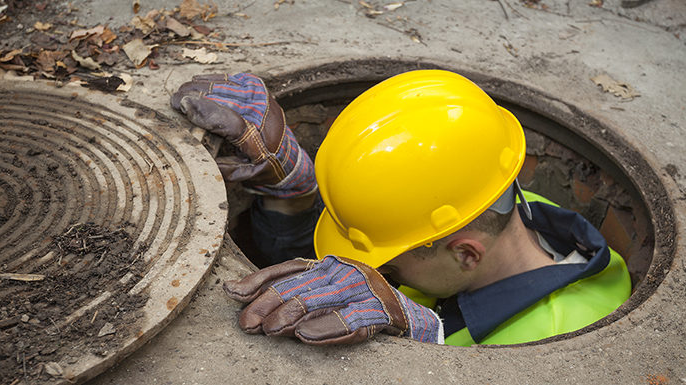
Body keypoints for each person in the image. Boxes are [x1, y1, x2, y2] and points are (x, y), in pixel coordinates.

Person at [170, 70, 631, 346]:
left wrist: (426, 347)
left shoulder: (552, 339)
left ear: (466, 253)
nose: (382, 272)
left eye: (390, 261)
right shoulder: (487, 205)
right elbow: (320, 285)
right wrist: (292, 198)